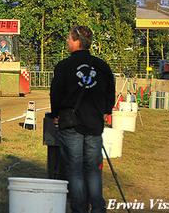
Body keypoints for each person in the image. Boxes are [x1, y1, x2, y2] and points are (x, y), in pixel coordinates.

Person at [50, 25, 115, 213]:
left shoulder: (64, 66)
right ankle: (98, 208)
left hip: (71, 124)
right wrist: (105, 110)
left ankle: (78, 209)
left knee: (75, 169)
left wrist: (55, 115)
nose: (68, 42)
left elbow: (56, 94)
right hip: (94, 123)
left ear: (77, 41)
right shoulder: (102, 66)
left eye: (69, 39)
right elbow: (110, 91)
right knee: (94, 169)